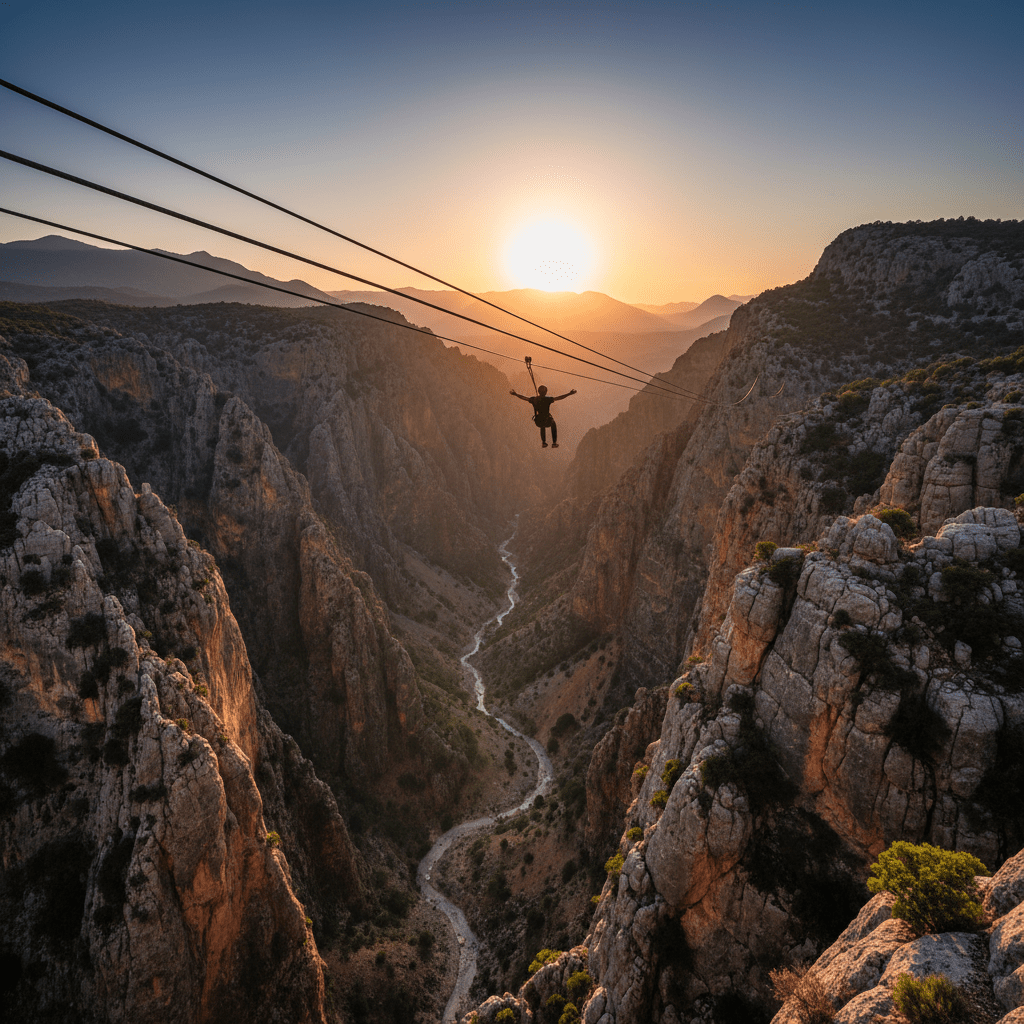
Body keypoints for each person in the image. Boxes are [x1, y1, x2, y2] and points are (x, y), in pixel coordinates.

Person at [509, 385, 577, 448]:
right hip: (547, 421)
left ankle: (544, 442)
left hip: (538, 422)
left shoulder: (534, 399)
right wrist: (569, 393)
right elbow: (559, 398)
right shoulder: (548, 399)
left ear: (539, 391)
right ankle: (554, 443)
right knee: (553, 423)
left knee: (542, 424)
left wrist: (515, 394)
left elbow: (524, 398)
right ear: (545, 392)